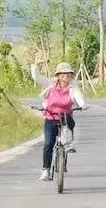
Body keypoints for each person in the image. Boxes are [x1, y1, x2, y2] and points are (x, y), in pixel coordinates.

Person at [31, 53, 87, 181]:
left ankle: (68, 145)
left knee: (68, 127)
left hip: (65, 117)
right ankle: (45, 170)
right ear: (58, 75)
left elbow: (78, 96)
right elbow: (37, 78)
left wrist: (82, 105)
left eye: (68, 74)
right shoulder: (50, 84)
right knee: (48, 144)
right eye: (62, 74)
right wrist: (36, 66)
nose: (65, 76)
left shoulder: (73, 86)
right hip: (51, 117)